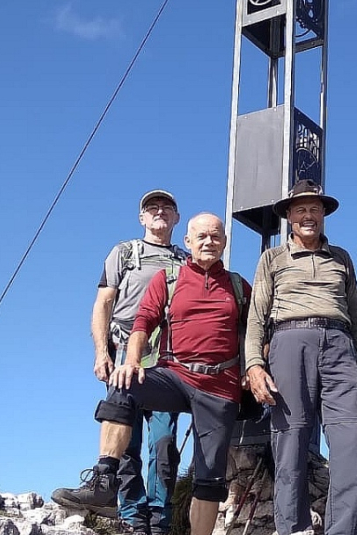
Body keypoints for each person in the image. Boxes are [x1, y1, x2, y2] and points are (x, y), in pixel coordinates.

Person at [53, 213, 250, 535]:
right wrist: (130, 362)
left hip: (220, 386)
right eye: (201, 236)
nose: (208, 242)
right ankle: (104, 480)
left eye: (215, 236)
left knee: (209, 477)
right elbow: (143, 322)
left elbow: (256, 331)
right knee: (125, 384)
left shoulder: (239, 286)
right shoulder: (168, 278)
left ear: (225, 242)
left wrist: (253, 367)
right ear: (187, 242)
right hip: (175, 375)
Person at [244, 180, 357, 535]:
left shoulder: (342, 258)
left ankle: (344, 529)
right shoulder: (272, 258)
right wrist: (254, 365)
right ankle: (293, 528)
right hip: (289, 341)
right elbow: (257, 317)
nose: (308, 215)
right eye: (301, 209)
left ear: (324, 214)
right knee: (290, 445)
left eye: (315, 208)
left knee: (350, 444)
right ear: (289, 215)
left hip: (339, 345)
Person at [85, 189, 187, 531]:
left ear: (176, 218)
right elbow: (103, 304)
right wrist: (101, 352)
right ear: (141, 218)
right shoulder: (124, 253)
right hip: (126, 349)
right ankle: (131, 517)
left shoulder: (186, 262)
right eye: (152, 208)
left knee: (163, 442)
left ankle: (159, 519)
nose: (159, 212)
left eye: (166, 208)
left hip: (167, 357)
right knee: (125, 440)